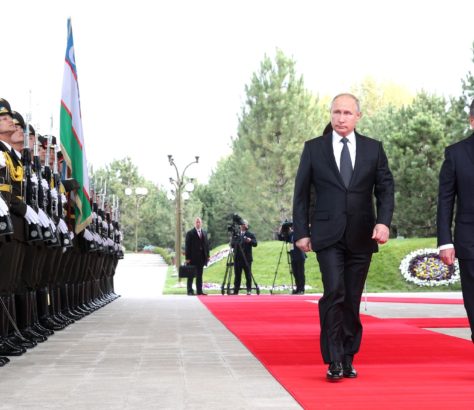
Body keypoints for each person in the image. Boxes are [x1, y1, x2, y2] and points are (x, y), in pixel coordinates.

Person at [292, 93, 394, 381]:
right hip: (327, 235)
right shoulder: (314, 148)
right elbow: (301, 194)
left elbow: (385, 189)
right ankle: (334, 358)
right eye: (336, 112)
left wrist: (384, 222)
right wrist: (301, 232)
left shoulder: (373, 149)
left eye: (347, 113)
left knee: (351, 297)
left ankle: (348, 357)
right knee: (334, 292)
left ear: (357, 116)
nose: (341, 118)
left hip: (362, 234)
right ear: (330, 114)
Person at [437, 98, 474, 344]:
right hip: (470, 240)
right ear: (472, 121)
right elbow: (445, 200)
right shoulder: (456, 153)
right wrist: (445, 241)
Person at [185, 217, 210, 295]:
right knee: (191, 275)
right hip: (192, 258)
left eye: (199, 222)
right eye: (197, 222)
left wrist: (208, 256)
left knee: (199, 275)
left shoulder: (204, 233)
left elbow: (207, 245)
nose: (198, 223)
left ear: (201, 223)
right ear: (194, 223)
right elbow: (187, 246)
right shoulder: (190, 233)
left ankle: (199, 291)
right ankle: (190, 291)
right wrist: (187, 258)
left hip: (201, 258)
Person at [233, 220, 257, 295]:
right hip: (238, 258)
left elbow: (255, 243)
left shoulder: (250, 234)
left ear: (247, 225)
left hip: (247, 258)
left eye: (244, 224)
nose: (243, 225)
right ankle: (236, 290)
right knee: (237, 275)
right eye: (242, 224)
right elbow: (232, 244)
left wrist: (250, 241)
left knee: (248, 274)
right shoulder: (236, 234)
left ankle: (249, 290)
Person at [288, 227, 306, 294]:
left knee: (300, 273)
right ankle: (298, 288)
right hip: (293, 256)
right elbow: (282, 238)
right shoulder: (291, 234)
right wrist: (281, 230)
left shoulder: (299, 233)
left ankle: (301, 289)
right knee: (295, 273)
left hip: (300, 256)